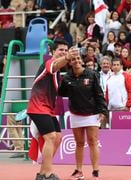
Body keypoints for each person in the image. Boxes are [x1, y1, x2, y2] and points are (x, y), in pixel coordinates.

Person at [27, 39, 79, 180]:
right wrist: (68, 57)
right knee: (50, 137)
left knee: (57, 138)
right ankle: (49, 173)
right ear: (53, 52)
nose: (63, 52)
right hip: (37, 107)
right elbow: (55, 65)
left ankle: (43, 172)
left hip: (48, 109)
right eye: (60, 50)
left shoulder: (59, 72)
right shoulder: (48, 63)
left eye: (65, 50)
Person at [58, 53, 108, 180]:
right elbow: (61, 92)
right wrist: (61, 80)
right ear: (70, 62)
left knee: (92, 142)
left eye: (78, 58)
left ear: (81, 60)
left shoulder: (92, 74)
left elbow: (99, 94)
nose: (76, 61)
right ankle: (78, 170)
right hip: (76, 113)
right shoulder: (67, 77)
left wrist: (103, 111)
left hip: (92, 113)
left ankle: (95, 171)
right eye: (73, 59)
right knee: (79, 143)